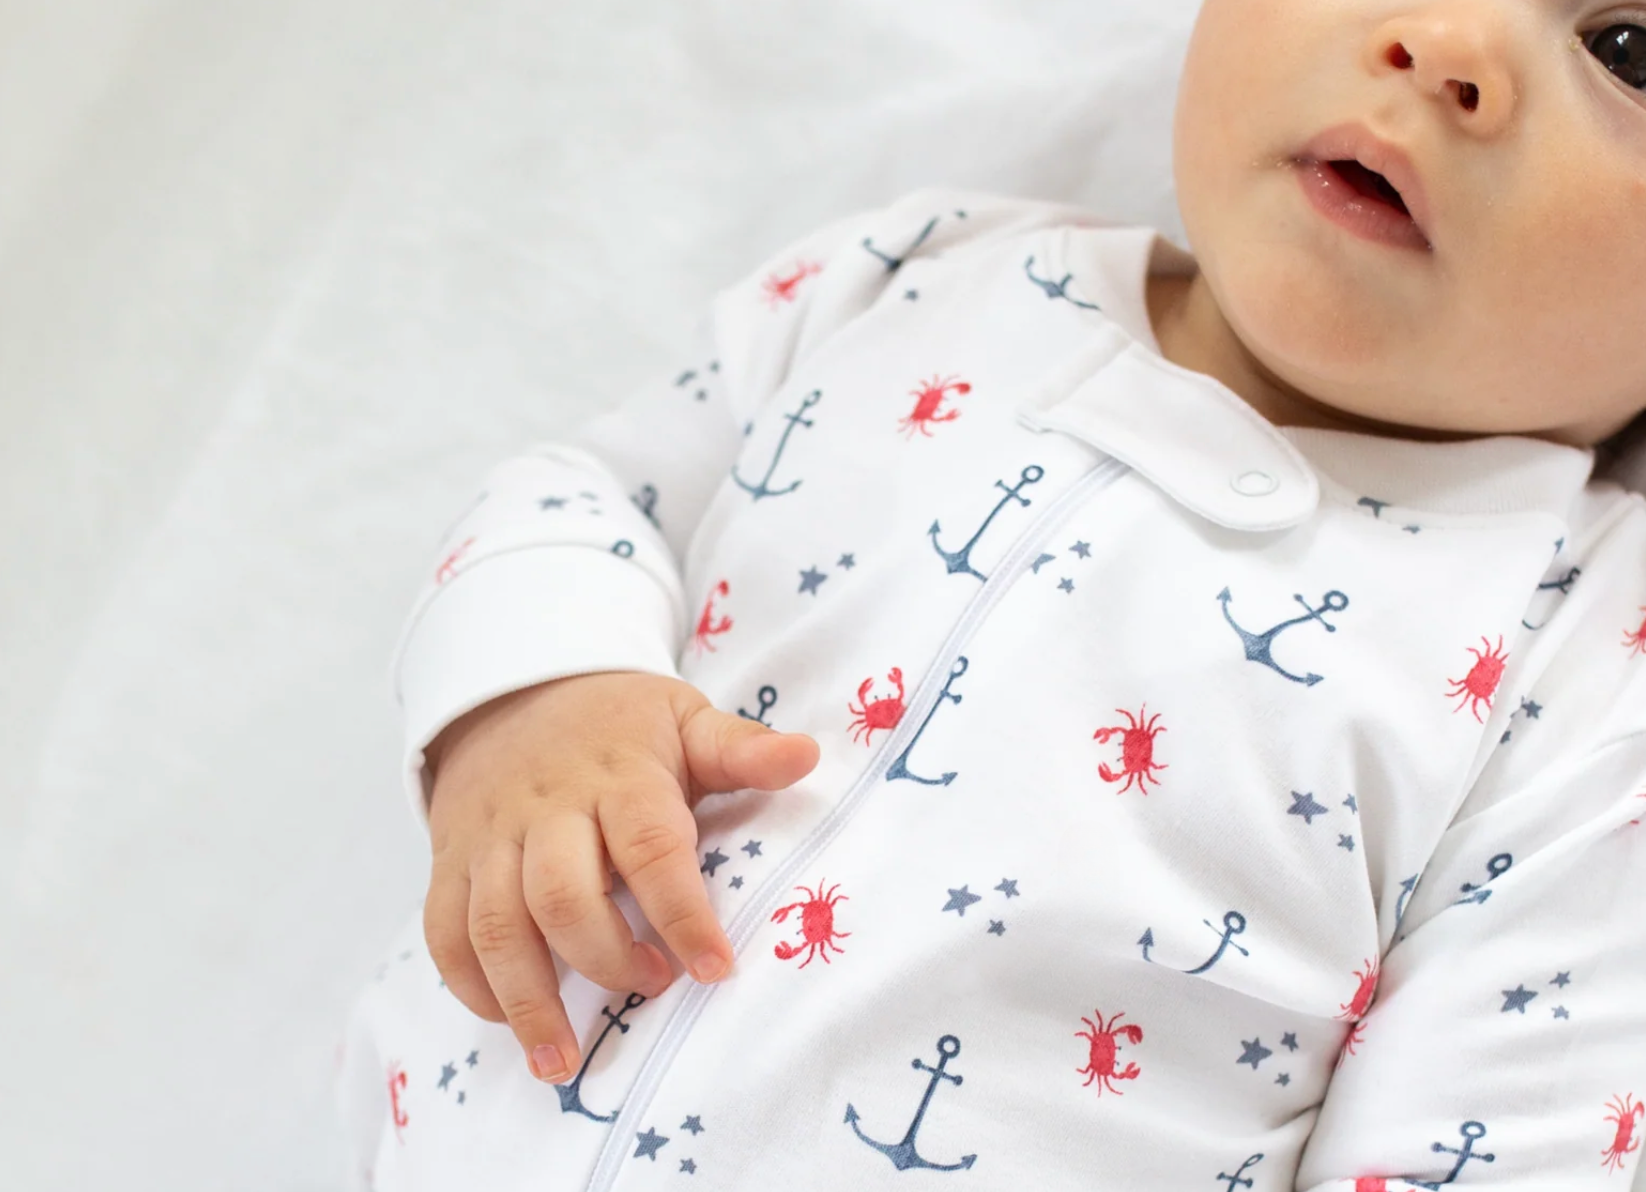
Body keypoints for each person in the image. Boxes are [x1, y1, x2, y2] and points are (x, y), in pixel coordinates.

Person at [338, 1, 1646, 1186]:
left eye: (1625, 48)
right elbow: (594, 493)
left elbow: (1503, 1129)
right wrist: (536, 701)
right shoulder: (911, 277)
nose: (1446, 46)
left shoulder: (1581, 663)